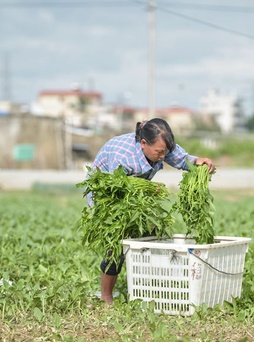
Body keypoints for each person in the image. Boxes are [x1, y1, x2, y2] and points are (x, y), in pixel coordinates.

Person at [87, 117, 215, 304]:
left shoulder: (161, 146)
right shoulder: (125, 157)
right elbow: (117, 186)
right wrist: (146, 188)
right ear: (143, 144)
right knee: (116, 243)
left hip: (135, 193)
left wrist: (198, 162)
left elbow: (181, 159)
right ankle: (106, 297)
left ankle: (145, 289)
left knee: (148, 233)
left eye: (166, 151)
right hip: (107, 195)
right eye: (159, 152)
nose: (163, 156)